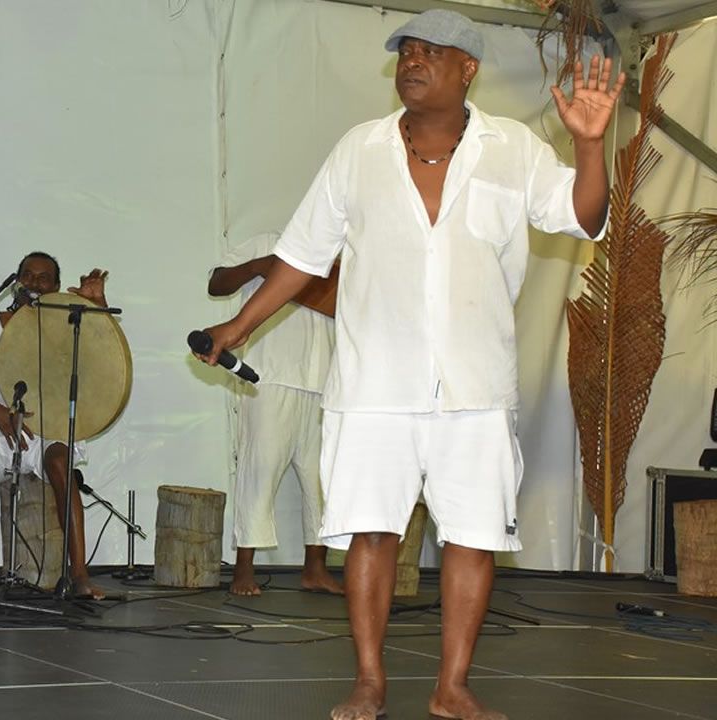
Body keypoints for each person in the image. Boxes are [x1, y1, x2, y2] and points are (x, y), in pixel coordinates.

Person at [198, 10, 621, 720]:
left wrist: (589, 144)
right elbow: (301, 256)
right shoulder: (358, 150)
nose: (413, 62)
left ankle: (452, 688)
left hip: (475, 386)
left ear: (469, 69)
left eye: (431, 52)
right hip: (374, 384)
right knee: (372, 532)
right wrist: (236, 327)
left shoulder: (513, 149)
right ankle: (369, 680)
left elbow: (583, 216)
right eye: (406, 52)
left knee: (474, 538)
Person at [0, 252, 109, 600]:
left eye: (43, 277)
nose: (34, 283)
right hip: (0, 430)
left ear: (56, 286)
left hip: (50, 430)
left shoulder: (69, 324)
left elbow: (105, 357)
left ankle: (79, 576)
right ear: (16, 282)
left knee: (61, 464)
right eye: (28, 275)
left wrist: (98, 306)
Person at [208, 233, 342, 596]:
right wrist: (260, 266)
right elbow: (216, 283)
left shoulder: (339, 255)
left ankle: (315, 569)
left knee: (322, 483)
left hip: (324, 381)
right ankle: (243, 569)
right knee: (260, 472)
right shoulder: (267, 242)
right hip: (271, 376)